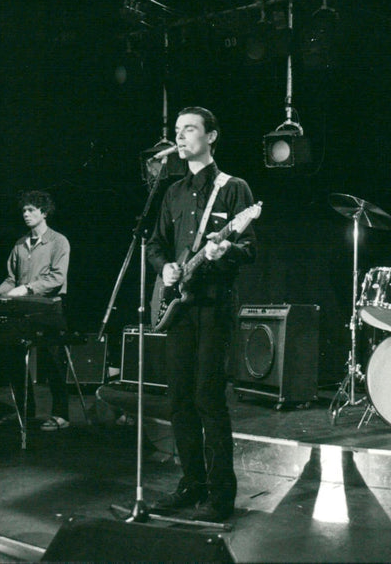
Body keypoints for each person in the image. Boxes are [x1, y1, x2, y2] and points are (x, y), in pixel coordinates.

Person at [146, 106, 257, 522]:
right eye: (177, 130)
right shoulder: (171, 191)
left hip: (214, 308)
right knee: (178, 400)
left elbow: (251, 247)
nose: (181, 136)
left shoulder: (234, 188)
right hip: (179, 307)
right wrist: (166, 268)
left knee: (208, 398)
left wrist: (225, 249)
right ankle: (191, 484)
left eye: (189, 129)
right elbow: (155, 244)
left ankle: (220, 496)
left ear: (211, 136)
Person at [0, 190, 71, 431]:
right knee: (12, 354)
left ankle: (61, 415)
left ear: (44, 213)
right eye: (24, 210)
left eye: (31, 210)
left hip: (49, 310)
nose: (25, 214)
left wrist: (26, 288)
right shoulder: (20, 244)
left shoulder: (59, 241)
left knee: (54, 361)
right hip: (22, 311)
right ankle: (25, 412)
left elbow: (57, 278)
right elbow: (10, 278)